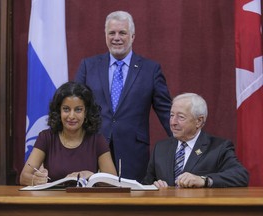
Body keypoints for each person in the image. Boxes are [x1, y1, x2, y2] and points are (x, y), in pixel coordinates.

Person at [75, 11, 172, 182]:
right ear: (105, 36)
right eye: (112, 33)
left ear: (133, 36)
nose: (116, 37)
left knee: (132, 205)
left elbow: (166, 113)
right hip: (92, 150)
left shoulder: (151, 70)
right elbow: (74, 107)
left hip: (133, 154)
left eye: (122, 33)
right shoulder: (88, 66)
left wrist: (185, 144)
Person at [20, 81, 117, 186]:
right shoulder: (46, 137)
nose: (71, 116)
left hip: (86, 200)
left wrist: (91, 176)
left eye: (78, 110)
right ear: (59, 111)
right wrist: (36, 179)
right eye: (66, 109)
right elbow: (23, 177)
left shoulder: (97, 140)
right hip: (54, 200)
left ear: (86, 112)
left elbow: (114, 182)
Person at [142, 93, 249, 188]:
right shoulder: (161, 148)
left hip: (199, 209)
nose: (173, 122)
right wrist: (154, 185)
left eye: (181, 117)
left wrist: (204, 180)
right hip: (166, 209)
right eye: (171, 115)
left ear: (199, 121)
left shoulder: (219, 148)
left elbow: (240, 175)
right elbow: (147, 183)